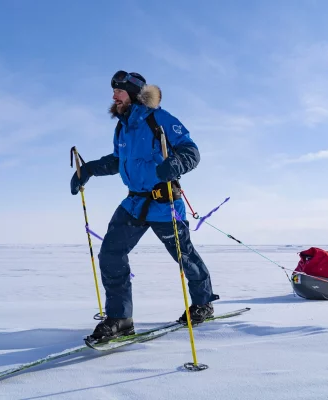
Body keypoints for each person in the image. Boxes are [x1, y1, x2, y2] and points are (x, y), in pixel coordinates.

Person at [71, 70, 219, 342]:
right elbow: (118, 161)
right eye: (114, 91)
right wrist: (89, 169)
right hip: (134, 203)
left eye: (119, 91)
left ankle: (203, 302)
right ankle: (120, 318)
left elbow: (191, 152)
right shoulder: (123, 127)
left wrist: (176, 163)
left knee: (183, 255)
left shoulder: (159, 119)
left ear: (134, 94)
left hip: (164, 203)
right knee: (111, 254)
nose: (114, 96)